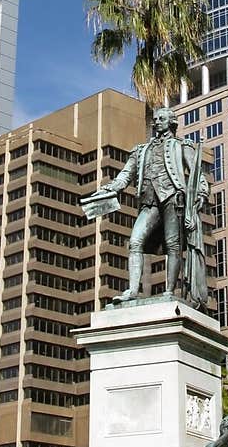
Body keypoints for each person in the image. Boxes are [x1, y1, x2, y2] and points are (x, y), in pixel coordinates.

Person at [83, 106, 209, 309]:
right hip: (149, 202)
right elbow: (125, 175)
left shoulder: (182, 146)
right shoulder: (140, 150)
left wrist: (202, 192)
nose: (156, 122)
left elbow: (196, 173)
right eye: (156, 119)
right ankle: (133, 291)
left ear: (171, 122)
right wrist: (109, 189)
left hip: (172, 197)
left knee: (173, 245)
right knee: (135, 242)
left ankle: (169, 291)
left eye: (161, 119)